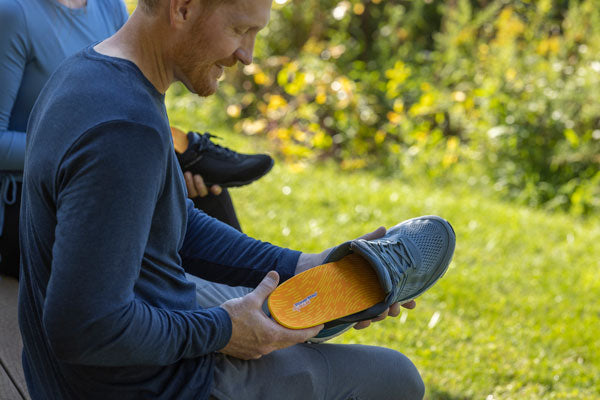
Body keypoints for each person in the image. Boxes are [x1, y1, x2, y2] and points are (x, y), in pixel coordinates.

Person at [18, 1, 426, 399]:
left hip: (93, 366)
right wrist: (226, 331)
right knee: (397, 377)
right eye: (238, 30)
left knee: (275, 312)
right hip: (153, 383)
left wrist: (300, 266)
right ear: (181, 9)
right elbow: (85, 329)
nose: (247, 56)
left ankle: (298, 302)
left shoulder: (88, 72)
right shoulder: (126, 131)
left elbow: (177, 222)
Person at [0, 0, 268, 280]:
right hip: (31, 200)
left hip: (105, 159)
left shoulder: (108, 5)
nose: (247, 55)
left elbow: (129, 86)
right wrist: (82, 145)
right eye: (239, 29)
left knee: (207, 186)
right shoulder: (13, 14)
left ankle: (265, 293)